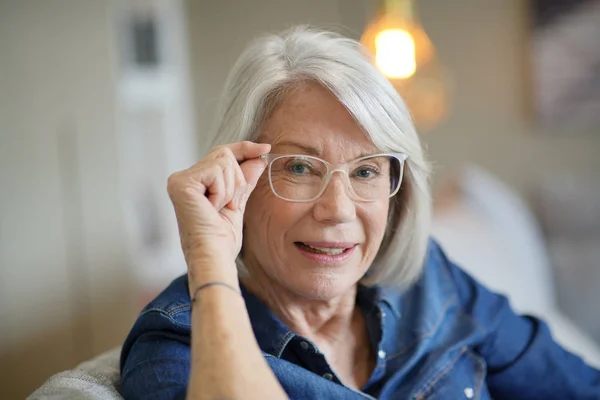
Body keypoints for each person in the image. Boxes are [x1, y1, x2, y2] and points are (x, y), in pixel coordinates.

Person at [119, 26, 600, 399]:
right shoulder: (178, 347)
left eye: (367, 171)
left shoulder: (433, 284)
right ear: (236, 176)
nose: (337, 210)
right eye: (301, 167)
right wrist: (209, 255)